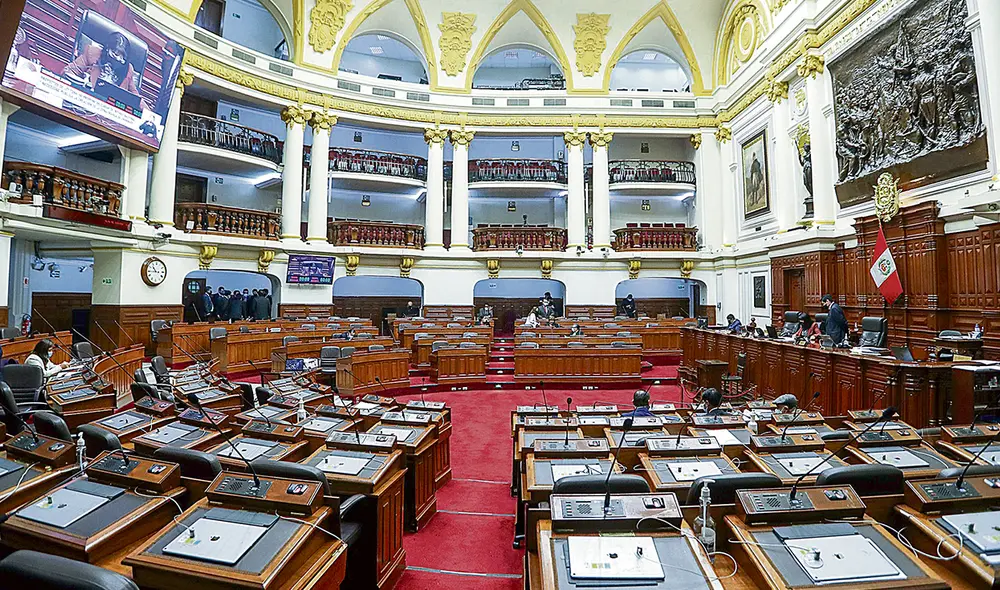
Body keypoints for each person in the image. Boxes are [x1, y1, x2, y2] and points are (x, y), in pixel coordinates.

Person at [63, 32, 146, 109]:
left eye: (122, 57)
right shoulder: (92, 53)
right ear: (107, 49)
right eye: (115, 53)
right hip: (85, 103)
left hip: (110, 110)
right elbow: (69, 71)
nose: (118, 58)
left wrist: (149, 115)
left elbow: (136, 99)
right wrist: (81, 85)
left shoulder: (127, 69)